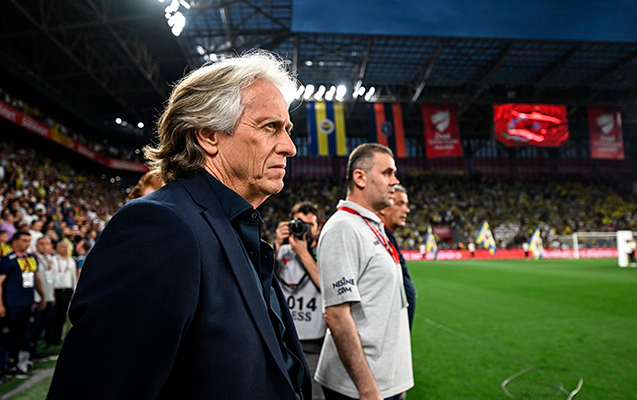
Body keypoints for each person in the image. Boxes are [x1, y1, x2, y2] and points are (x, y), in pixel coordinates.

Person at [48, 51, 311, 400]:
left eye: (287, 130)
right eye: (270, 128)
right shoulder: (161, 228)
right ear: (209, 136)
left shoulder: (232, 225)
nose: (289, 148)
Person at [315, 144, 413, 400]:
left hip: (384, 379)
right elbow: (337, 315)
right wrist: (368, 389)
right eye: (387, 173)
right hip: (360, 388)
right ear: (360, 177)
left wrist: (397, 375)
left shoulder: (369, 225)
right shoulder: (343, 228)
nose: (395, 181)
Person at [275, 202, 326, 400]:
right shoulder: (281, 252)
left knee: (314, 395)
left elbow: (328, 289)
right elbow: (262, 283)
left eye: (310, 225)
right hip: (283, 343)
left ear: (318, 229)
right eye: (298, 223)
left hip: (314, 345)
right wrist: (276, 245)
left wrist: (303, 253)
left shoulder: (324, 253)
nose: (304, 229)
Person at [0, 231, 45, 377]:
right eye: (24, 240)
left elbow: (36, 279)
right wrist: (0, 305)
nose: (27, 244)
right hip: (11, 304)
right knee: (7, 336)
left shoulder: (31, 258)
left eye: (29, 240)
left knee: (22, 334)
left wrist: (41, 297)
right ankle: (4, 367)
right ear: (15, 241)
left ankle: (16, 363)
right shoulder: (8, 259)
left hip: (27, 303)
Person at [378, 185, 416, 331]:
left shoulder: (389, 240)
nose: (407, 210)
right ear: (383, 207)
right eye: (400, 204)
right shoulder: (376, 241)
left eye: (406, 204)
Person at [47, 241, 77, 346]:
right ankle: (49, 338)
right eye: (62, 247)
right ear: (57, 248)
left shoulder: (71, 261)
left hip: (67, 290)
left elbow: (74, 276)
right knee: (53, 315)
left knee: (62, 315)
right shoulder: (53, 260)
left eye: (66, 247)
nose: (65, 249)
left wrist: (74, 289)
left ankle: (58, 338)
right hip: (56, 289)